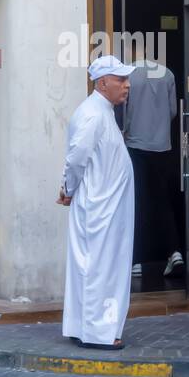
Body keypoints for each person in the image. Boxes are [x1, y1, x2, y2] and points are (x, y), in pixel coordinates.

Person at [59, 54, 136, 351]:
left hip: (104, 207)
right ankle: (99, 332)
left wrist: (68, 187)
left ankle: (86, 327)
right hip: (99, 209)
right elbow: (77, 157)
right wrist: (68, 187)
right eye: (120, 80)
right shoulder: (94, 114)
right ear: (103, 83)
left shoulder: (101, 111)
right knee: (100, 269)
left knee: (97, 267)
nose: (126, 85)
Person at [121, 40, 182, 279]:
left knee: (135, 203)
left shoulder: (128, 75)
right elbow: (173, 111)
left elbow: (123, 113)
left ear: (129, 51)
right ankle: (174, 252)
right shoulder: (167, 74)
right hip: (163, 146)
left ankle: (135, 260)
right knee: (163, 202)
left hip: (136, 146)